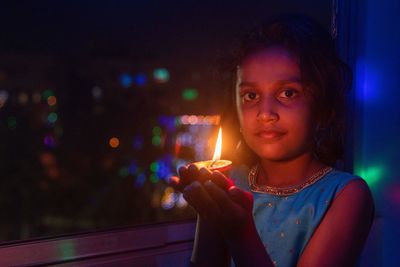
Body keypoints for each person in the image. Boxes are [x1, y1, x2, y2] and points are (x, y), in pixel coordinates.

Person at [169, 14, 374, 267]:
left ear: (322, 105)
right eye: (251, 95)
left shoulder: (346, 195)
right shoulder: (231, 183)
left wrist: (240, 232)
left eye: (288, 93)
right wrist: (209, 212)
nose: (265, 113)